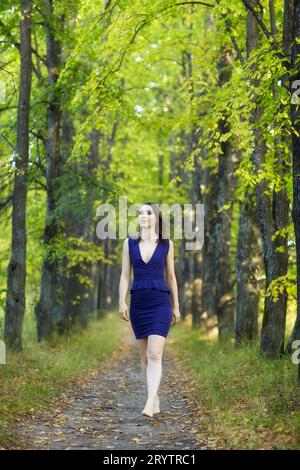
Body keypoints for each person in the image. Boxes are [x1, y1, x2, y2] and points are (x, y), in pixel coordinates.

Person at [119, 202, 181, 418]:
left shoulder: (167, 244)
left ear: (156, 218)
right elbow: (125, 275)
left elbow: (171, 276)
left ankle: (148, 402)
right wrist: (121, 301)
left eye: (148, 212)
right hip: (138, 303)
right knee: (144, 357)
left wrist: (176, 305)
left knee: (155, 353)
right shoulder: (129, 243)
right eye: (140, 213)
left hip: (160, 303)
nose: (143, 216)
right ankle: (154, 397)